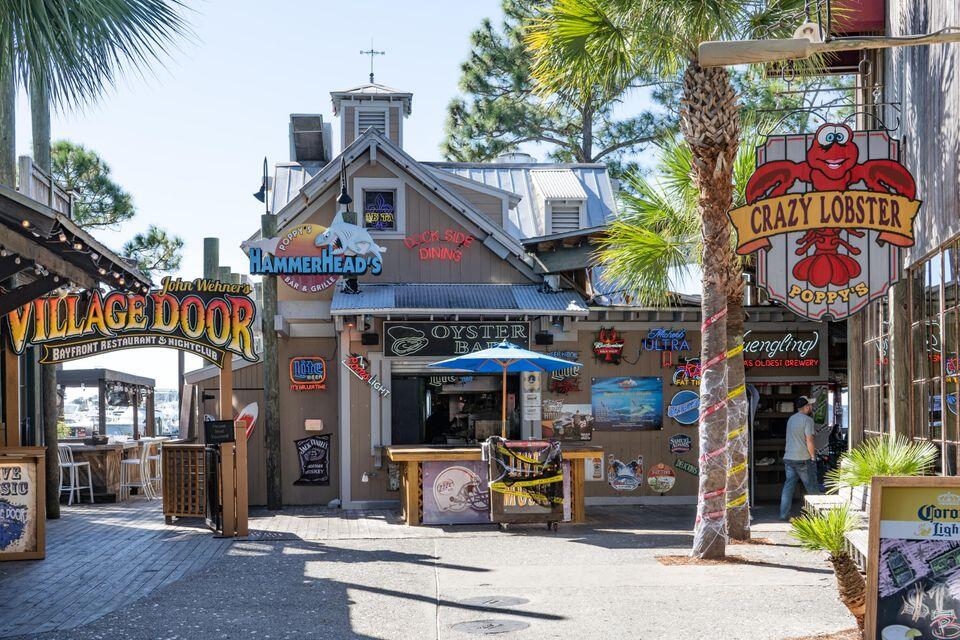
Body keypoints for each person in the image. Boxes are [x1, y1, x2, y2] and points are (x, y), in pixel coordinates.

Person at [780, 395, 819, 520]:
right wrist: (813, 457)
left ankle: (783, 514)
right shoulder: (808, 420)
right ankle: (818, 516)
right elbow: (809, 440)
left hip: (789, 458)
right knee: (812, 487)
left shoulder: (791, 419)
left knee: (788, 487)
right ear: (806, 407)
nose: (811, 407)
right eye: (810, 405)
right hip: (803, 459)